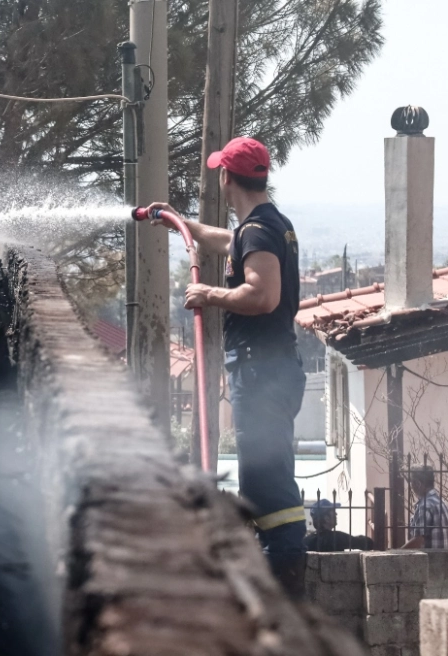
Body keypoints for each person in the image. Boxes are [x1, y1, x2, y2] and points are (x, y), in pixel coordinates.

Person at [147, 136, 308, 598]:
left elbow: (263, 295)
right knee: (268, 472)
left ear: (225, 177)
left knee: (264, 479)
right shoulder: (267, 225)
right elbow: (233, 241)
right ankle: (276, 569)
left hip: (259, 371)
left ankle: (282, 584)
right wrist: (186, 226)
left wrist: (210, 294)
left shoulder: (257, 231)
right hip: (272, 368)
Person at [402, 465, 448, 549]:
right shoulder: (441, 502)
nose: (411, 486)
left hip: (430, 560)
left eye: (412, 482)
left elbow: (418, 540)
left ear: (418, 484)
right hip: (445, 559)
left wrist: (398, 553)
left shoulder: (425, 505)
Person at [304, 499, 374, 552]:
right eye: (333, 512)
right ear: (326, 518)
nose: (336, 514)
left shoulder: (307, 541)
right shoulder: (337, 538)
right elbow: (367, 543)